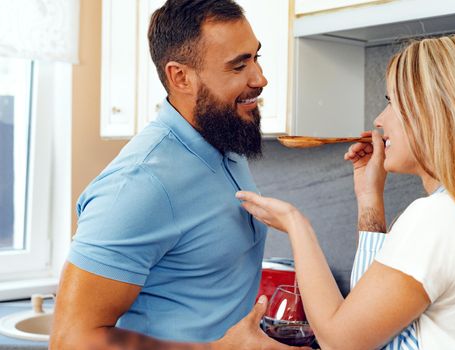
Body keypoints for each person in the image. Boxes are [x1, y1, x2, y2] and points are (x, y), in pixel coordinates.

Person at [237, 35, 455, 349]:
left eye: (391, 103)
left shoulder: (436, 219)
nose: (379, 120)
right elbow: (369, 328)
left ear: (433, 114)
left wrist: (296, 225)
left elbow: (340, 341)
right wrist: (370, 199)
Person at [51, 1, 303, 349]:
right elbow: (70, 341)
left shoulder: (224, 143)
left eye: (255, 57)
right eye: (238, 66)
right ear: (181, 77)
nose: (260, 78)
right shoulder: (139, 184)